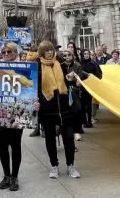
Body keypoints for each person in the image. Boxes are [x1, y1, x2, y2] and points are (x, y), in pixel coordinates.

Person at [36, 41, 81, 179]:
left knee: (68, 137)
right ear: (41, 53)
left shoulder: (60, 63)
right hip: (47, 106)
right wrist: (38, 101)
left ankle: (71, 166)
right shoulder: (37, 67)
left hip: (64, 105)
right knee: (50, 138)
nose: (49, 52)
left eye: (51, 50)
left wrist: (73, 80)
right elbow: (35, 87)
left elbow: (67, 79)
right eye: (46, 50)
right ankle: (54, 166)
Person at [0, 42, 24, 191]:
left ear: (16, 53)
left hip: (16, 113)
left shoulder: (24, 68)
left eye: (9, 52)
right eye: (4, 52)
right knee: (2, 145)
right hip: (1, 112)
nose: (6, 54)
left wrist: (35, 103)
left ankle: (15, 176)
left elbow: (31, 87)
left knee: (15, 145)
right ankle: (6, 175)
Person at [61, 49, 89, 142]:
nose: (67, 57)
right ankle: (68, 131)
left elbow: (79, 82)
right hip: (64, 90)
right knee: (67, 112)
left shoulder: (77, 65)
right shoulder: (61, 66)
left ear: (72, 56)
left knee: (76, 110)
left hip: (74, 90)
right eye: (65, 55)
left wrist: (74, 78)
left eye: (69, 55)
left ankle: (76, 131)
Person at [80, 50, 101, 128]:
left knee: (89, 105)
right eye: (84, 54)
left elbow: (99, 76)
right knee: (82, 106)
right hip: (81, 87)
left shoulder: (93, 64)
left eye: (87, 54)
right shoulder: (80, 64)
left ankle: (89, 121)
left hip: (90, 87)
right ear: (82, 55)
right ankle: (84, 121)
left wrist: (93, 76)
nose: (86, 55)